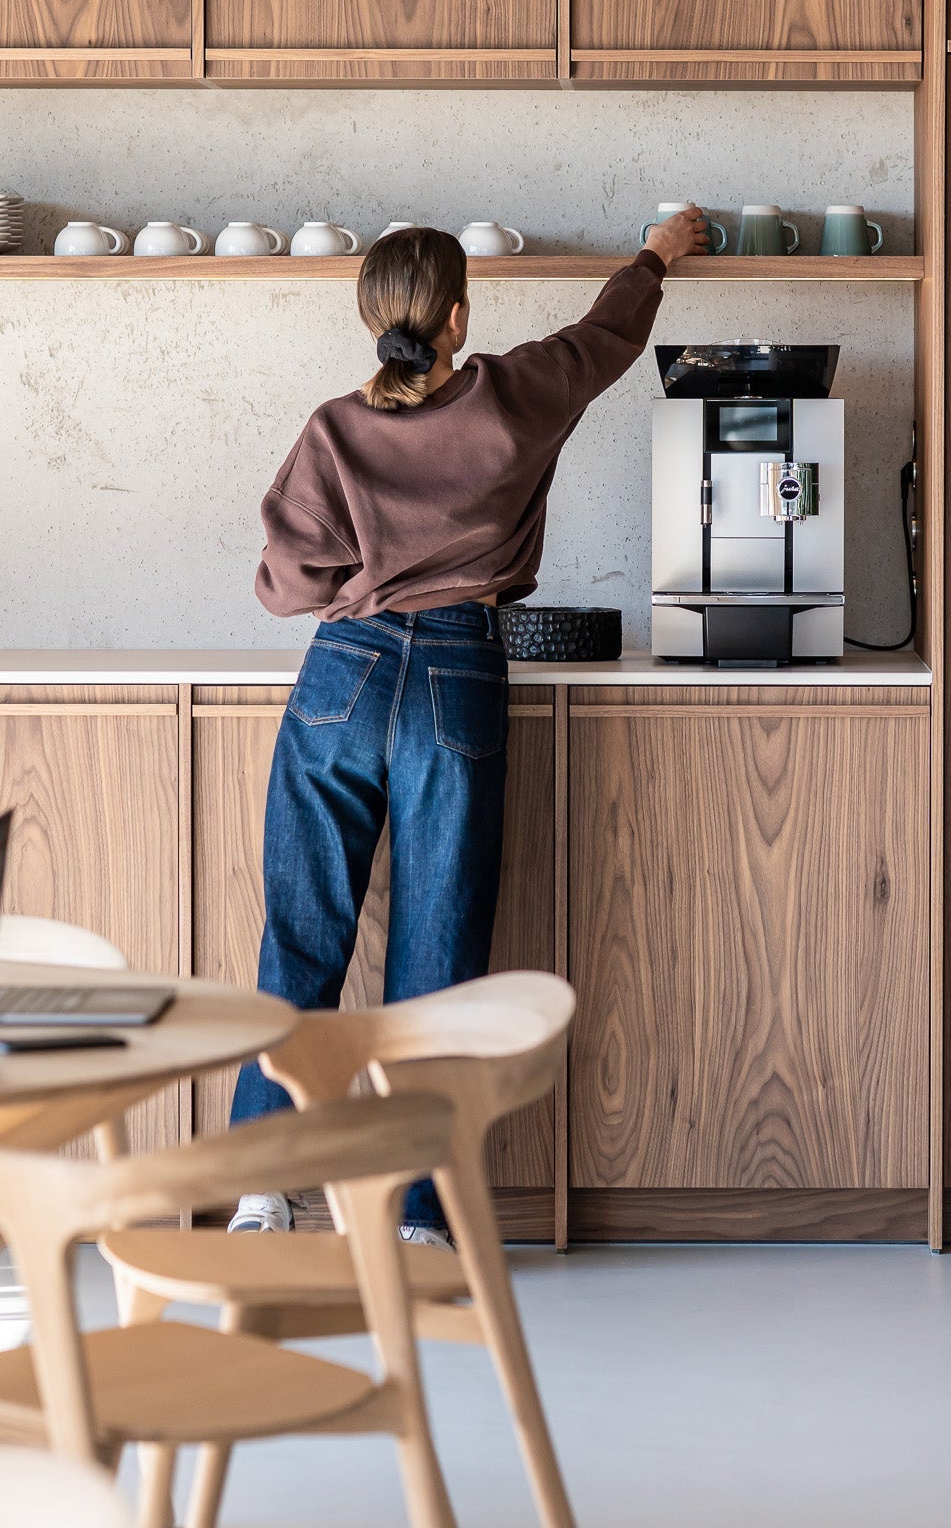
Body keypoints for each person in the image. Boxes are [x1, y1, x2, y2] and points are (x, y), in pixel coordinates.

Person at [228, 208, 708, 1239]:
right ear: (458, 316)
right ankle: (420, 1217)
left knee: (302, 941)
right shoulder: (509, 398)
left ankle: (263, 1195)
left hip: (343, 679)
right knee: (437, 960)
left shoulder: (333, 429)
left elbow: (283, 587)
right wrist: (656, 253)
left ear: (373, 319)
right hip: (458, 670)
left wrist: (356, 567)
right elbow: (605, 338)